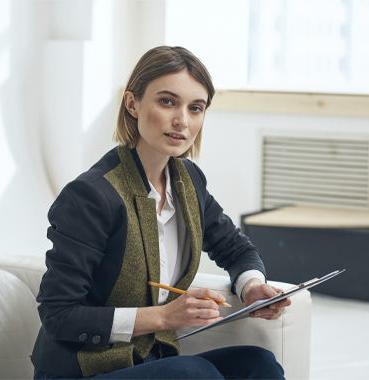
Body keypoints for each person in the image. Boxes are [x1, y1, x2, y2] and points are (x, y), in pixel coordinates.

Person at [31, 46, 291, 380]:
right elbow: (58, 314)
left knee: (259, 364)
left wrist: (252, 288)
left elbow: (236, 248)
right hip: (82, 371)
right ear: (132, 104)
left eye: (195, 108)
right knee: (193, 373)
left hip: (148, 364)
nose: (182, 121)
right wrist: (165, 317)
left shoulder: (188, 182)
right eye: (168, 102)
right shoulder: (91, 196)